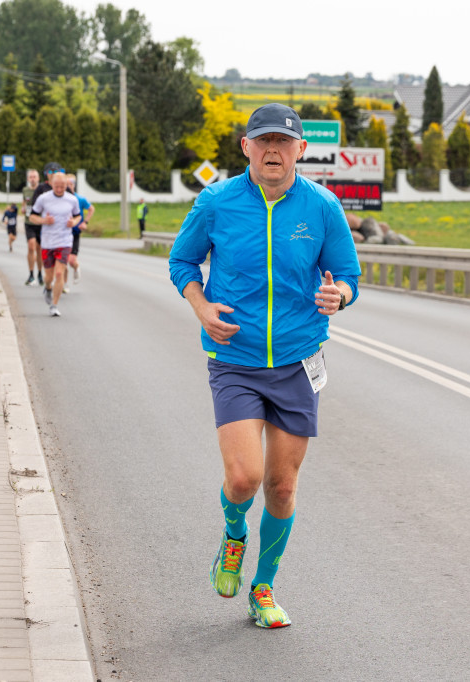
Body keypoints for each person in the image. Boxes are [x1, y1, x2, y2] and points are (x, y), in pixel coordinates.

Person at [168, 103, 360, 629]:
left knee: (280, 486)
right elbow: (181, 261)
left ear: (301, 149)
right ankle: (234, 536)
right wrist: (202, 308)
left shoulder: (322, 207)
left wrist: (339, 295)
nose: (273, 150)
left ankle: (264, 587)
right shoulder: (217, 202)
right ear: (246, 147)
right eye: (263, 141)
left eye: (284, 141)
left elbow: (347, 273)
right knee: (244, 476)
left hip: (299, 362)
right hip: (235, 358)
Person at [30, 170, 81, 317]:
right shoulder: (43, 199)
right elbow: (32, 216)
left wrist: (74, 222)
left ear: (66, 185)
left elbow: (78, 217)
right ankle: (47, 287)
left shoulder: (72, 200)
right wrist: (44, 221)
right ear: (51, 184)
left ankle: (54, 305)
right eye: (56, 186)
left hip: (65, 241)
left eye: (62, 187)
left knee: (59, 273)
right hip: (47, 242)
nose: (59, 190)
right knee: (49, 277)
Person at [64, 174, 94, 288]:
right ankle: (64, 284)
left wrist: (85, 222)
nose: (68, 186)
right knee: (63, 261)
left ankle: (76, 268)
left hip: (75, 233)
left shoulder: (80, 199)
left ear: (74, 185)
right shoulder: (61, 199)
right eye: (66, 184)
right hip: (63, 233)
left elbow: (91, 209)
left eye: (70, 184)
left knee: (71, 261)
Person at [22, 169, 45, 286]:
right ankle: (31, 274)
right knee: (31, 246)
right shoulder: (25, 190)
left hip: (40, 223)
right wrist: (23, 209)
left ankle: (40, 273)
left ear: (38, 178)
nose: (32, 179)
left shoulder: (42, 190)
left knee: (39, 249)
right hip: (29, 222)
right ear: (28, 179)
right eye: (30, 177)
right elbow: (24, 203)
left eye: (34, 177)